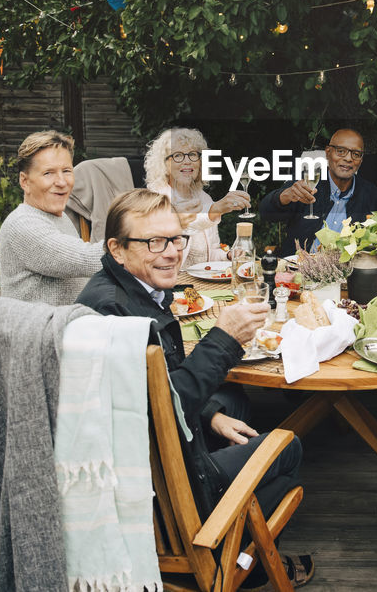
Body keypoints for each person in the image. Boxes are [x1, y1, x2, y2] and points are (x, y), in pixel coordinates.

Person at [75, 189, 314, 588]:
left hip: (161, 455)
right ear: (117, 249)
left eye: (175, 239)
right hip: (168, 490)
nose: (171, 252)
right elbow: (160, 418)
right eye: (154, 242)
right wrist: (224, 337)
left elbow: (156, 389)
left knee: (232, 402)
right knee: (288, 450)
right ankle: (237, 564)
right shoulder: (115, 316)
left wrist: (211, 416)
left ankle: (240, 534)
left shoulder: (133, 291)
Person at [0, 130, 104, 304]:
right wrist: (138, 243)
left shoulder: (59, 217)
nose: (62, 182)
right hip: (38, 330)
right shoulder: (22, 224)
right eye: (48, 173)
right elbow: (85, 259)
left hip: (65, 325)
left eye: (67, 171)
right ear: (25, 181)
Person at [258, 127, 377, 255]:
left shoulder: (375, 197)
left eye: (356, 154)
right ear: (328, 153)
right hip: (298, 268)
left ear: (361, 160)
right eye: (341, 151)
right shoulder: (306, 183)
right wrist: (284, 196)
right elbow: (265, 213)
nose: (348, 158)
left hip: (350, 272)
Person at [143, 127, 251, 268]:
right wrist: (214, 210)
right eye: (178, 155)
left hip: (202, 282)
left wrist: (229, 255)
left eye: (193, 155)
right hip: (171, 282)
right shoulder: (156, 199)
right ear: (164, 164)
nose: (187, 161)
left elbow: (211, 253)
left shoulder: (204, 198)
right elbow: (178, 230)